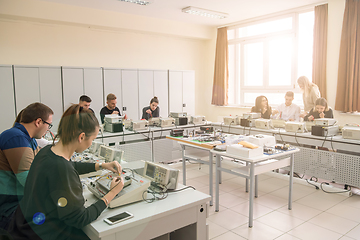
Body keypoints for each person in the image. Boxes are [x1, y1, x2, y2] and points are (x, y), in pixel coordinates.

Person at [7, 105, 124, 239]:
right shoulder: (62, 168)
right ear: (81, 137)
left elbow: (69, 165)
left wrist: (102, 165)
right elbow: (80, 219)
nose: (91, 144)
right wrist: (112, 193)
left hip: (25, 226)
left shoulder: (48, 152)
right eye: (92, 139)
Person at [0, 103, 53, 231]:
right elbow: (30, 182)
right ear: (38, 122)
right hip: (10, 208)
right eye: (49, 125)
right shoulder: (16, 137)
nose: (49, 129)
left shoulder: (29, 139)